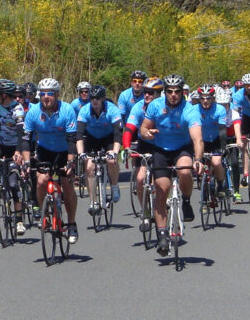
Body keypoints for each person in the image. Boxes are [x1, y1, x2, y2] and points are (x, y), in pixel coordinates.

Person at [138, 74, 203, 257]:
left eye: (177, 92)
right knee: (162, 188)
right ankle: (162, 235)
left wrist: (197, 159)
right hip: (161, 149)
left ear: (182, 92)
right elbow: (143, 128)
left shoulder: (190, 109)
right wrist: (147, 134)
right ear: (165, 92)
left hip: (182, 148)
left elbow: (197, 139)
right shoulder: (156, 106)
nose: (173, 95)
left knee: (184, 171)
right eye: (169, 92)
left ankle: (187, 200)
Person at [23, 78, 80, 244]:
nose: (46, 97)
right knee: (41, 181)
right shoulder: (33, 112)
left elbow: (72, 140)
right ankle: (44, 214)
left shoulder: (67, 110)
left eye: (50, 94)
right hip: (44, 150)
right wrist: (27, 163)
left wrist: (70, 162)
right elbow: (26, 140)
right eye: (42, 94)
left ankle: (71, 223)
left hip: (63, 151)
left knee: (67, 183)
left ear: (57, 95)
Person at [0, 78, 29, 235]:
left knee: (13, 185)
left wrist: (18, 151)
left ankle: (19, 220)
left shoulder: (17, 110)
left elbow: (20, 133)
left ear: (4, 95)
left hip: (13, 146)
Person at [75, 85, 124, 213]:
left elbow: (118, 134)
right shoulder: (85, 110)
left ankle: (114, 186)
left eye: (97, 98)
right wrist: (81, 153)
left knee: (111, 161)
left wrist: (115, 152)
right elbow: (79, 134)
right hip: (91, 138)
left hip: (108, 138)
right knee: (89, 167)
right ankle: (93, 202)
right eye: (92, 98)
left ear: (103, 99)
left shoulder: (112, 110)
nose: (94, 101)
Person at [123, 76, 163, 209]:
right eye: (145, 91)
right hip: (144, 144)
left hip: (162, 144)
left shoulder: (165, 107)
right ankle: (145, 210)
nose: (146, 95)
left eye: (150, 92)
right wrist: (127, 147)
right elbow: (129, 128)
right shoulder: (138, 107)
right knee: (140, 179)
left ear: (158, 93)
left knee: (162, 180)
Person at [194, 84, 229, 195]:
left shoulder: (220, 109)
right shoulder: (194, 110)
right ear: (199, 98)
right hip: (202, 141)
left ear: (213, 98)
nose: (205, 101)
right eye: (202, 98)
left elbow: (222, 129)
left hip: (216, 140)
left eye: (208, 98)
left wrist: (223, 147)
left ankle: (220, 185)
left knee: (216, 162)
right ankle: (205, 193)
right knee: (200, 166)